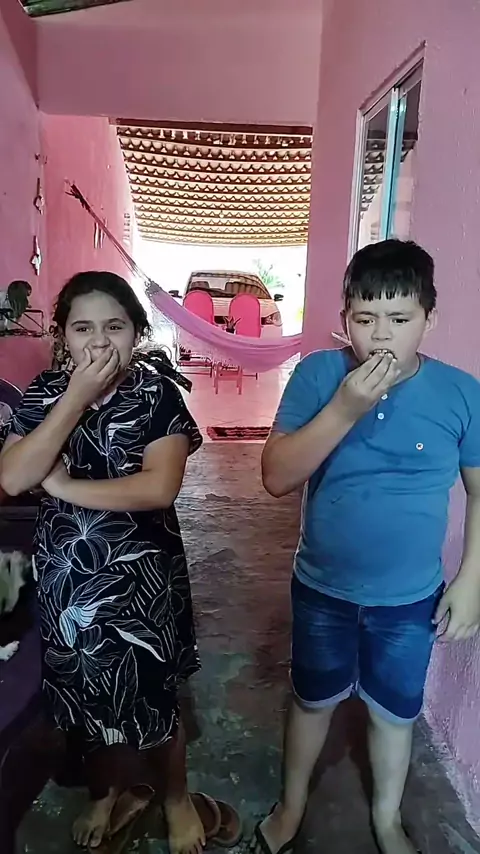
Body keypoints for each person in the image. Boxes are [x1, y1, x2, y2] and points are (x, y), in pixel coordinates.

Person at [254, 240, 480, 854]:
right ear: (343, 318)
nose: (381, 335)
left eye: (400, 318)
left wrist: (471, 579)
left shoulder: (460, 393)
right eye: (365, 317)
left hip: (409, 600)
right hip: (322, 590)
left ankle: (386, 819)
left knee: (394, 714)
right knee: (310, 703)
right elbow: (276, 477)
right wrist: (346, 407)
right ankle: (291, 807)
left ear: (430, 319)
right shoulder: (318, 375)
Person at [0, 272, 207, 853]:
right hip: (69, 583)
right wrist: (74, 398)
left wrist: (65, 487)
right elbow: (12, 477)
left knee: (154, 701)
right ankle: (105, 791)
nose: (98, 341)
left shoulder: (157, 394)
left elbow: (158, 487)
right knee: (86, 699)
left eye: (114, 326)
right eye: (83, 328)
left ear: (136, 333)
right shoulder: (46, 392)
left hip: (143, 581)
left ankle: (175, 797)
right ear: (63, 336)